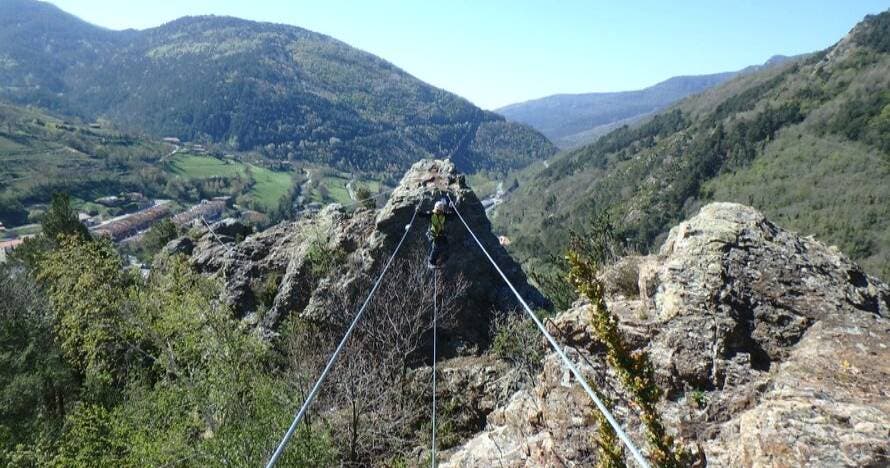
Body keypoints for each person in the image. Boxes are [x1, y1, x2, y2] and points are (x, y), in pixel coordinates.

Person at [419, 198, 452, 268]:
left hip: (440, 235)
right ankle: (431, 262)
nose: (438, 211)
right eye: (438, 210)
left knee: (446, 247)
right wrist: (418, 211)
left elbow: (452, 216)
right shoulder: (431, 215)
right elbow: (422, 215)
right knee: (436, 247)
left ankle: (440, 262)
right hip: (433, 235)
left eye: (440, 210)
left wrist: (451, 208)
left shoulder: (443, 215)